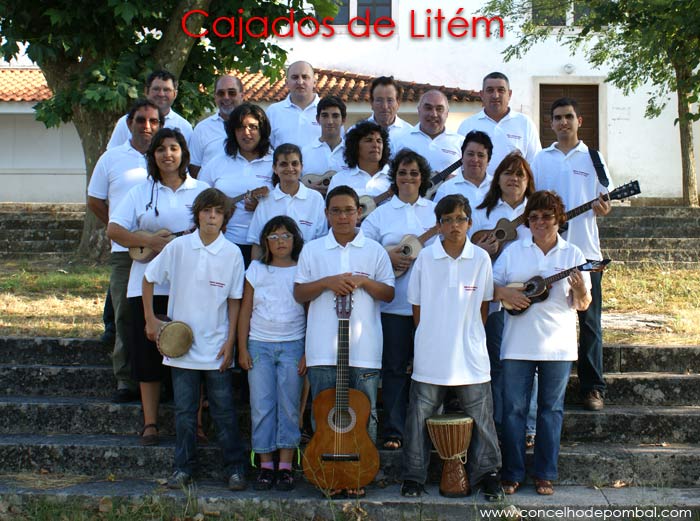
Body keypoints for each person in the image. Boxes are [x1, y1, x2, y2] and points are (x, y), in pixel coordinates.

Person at [141, 187, 248, 491]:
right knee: (185, 412)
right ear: (198, 214)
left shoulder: (232, 254)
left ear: (225, 217)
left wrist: (231, 343)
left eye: (217, 212)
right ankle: (183, 469)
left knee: (224, 411)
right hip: (180, 347)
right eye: (206, 211)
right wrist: (151, 319)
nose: (211, 216)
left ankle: (236, 469)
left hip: (216, 347)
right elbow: (148, 279)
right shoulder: (179, 248)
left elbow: (235, 302)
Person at [107, 128, 208, 446]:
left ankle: (194, 422)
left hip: (190, 286)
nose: (168, 154)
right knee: (148, 357)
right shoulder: (140, 191)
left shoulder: (201, 191)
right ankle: (150, 423)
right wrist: (149, 241)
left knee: (192, 355)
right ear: (153, 156)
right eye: (161, 149)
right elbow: (114, 229)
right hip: (145, 287)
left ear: (183, 154)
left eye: (174, 148)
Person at [400, 194, 503, 501]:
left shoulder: (481, 259)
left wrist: (465, 335)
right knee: (417, 419)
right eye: (447, 220)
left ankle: (487, 474)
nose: (454, 225)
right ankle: (413, 477)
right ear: (439, 225)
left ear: (470, 223)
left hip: (471, 356)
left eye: (460, 219)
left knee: (483, 421)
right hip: (431, 356)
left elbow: (483, 308)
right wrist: (435, 336)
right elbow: (417, 310)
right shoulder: (426, 259)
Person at [294, 185, 395, 497]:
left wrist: (364, 281)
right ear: (326, 214)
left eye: (349, 210)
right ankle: (329, 475)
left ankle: (360, 476)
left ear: (359, 213)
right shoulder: (312, 250)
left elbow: (389, 294)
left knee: (365, 416)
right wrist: (326, 283)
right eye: (335, 211)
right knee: (324, 416)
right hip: (322, 349)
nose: (342, 216)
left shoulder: (374, 250)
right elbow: (299, 293)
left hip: (365, 350)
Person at [493, 190, 591, 496]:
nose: (539, 222)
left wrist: (579, 290)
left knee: (551, 410)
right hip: (517, 343)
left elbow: (583, 303)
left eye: (546, 217)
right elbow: (491, 286)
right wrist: (506, 294)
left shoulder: (572, 254)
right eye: (533, 217)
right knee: (512, 411)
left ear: (558, 219)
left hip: (558, 345)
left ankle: (545, 473)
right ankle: (512, 473)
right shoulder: (513, 251)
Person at [531, 97, 612, 411]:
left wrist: (604, 207)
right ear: (551, 123)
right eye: (557, 118)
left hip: (586, 252)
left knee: (590, 321)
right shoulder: (541, 159)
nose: (563, 122)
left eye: (568, 117)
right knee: (545, 316)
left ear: (580, 120)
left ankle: (593, 388)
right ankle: (548, 388)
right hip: (547, 253)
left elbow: (606, 200)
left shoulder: (593, 158)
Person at [87, 99, 164, 403]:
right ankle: (125, 379)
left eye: (154, 121)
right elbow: (95, 200)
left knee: (163, 313)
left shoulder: (166, 156)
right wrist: (122, 231)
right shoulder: (112, 158)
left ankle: (162, 379)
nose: (147, 126)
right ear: (129, 123)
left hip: (163, 250)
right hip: (124, 252)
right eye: (141, 120)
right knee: (123, 315)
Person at [360, 149, 437, 451]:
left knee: (426, 369)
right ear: (394, 177)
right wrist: (387, 256)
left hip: (428, 305)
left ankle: (423, 429)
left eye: (414, 173)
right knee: (392, 368)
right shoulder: (380, 214)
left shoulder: (434, 213)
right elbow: (363, 251)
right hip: (392, 306)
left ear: (423, 179)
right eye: (403, 173)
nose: (408, 178)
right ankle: (393, 429)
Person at [469, 152, 536, 441]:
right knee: (496, 362)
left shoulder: (536, 214)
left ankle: (529, 426)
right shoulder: (482, 212)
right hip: (493, 299)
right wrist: (484, 251)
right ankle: (496, 424)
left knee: (528, 364)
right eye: (508, 173)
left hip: (530, 298)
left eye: (520, 174)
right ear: (498, 178)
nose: (514, 179)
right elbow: (466, 252)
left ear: (528, 181)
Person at [238, 216, 307, 492]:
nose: (281, 241)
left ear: (295, 240)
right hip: (259, 345)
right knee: (261, 404)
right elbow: (245, 310)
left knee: (289, 406)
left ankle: (287, 465)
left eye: (286, 235)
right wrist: (242, 348)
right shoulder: (256, 269)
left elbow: (311, 310)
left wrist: (308, 352)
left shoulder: (302, 269)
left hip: (293, 344)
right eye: (274, 236)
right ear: (265, 241)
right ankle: (266, 464)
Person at [198, 102, 274, 267]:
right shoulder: (217, 162)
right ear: (232, 132)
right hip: (222, 243)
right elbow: (199, 199)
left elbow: (286, 202)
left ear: (263, 130)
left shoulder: (276, 163)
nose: (246, 133)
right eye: (240, 128)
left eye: (253, 127)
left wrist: (263, 206)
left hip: (265, 246)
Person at [247, 144, 327, 259]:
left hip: (306, 269)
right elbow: (257, 244)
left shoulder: (316, 199)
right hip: (273, 269)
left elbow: (320, 241)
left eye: (294, 164)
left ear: (302, 167)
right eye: (284, 164)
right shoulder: (266, 200)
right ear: (275, 168)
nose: (290, 168)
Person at [458, 72, 541, 175]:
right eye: (490, 90)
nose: (495, 95)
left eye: (501, 90)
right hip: (477, 190)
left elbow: (535, 164)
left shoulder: (525, 123)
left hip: (513, 189)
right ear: (482, 94)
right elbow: (460, 165)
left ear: (509, 94)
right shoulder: (467, 125)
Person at [107, 70, 192, 149]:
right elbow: (112, 156)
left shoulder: (184, 127)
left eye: (166, 90)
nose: (161, 94)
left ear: (175, 94)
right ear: (146, 91)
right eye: (156, 89)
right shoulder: (127, 122)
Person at [392, 89, 463, 174]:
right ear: (419, 110)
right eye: (428, 108)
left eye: (439, 109)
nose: (433, 114)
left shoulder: (461, 143)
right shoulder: (400, 140)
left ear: (447, 113)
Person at [189, 74, 245, 177]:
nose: (226, 97)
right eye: (221, 93)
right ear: (215, 97)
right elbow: (194, 168)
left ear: (242, 96)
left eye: (232, 93)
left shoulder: (252, 129)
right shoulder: (202, 129)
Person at [326, 121, 391, 198]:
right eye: (369, 140)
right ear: (355, 146)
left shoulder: (397, 178)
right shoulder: (339, 180)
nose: (376, 145)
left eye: (379, 141)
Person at [266, 61, 321, 148]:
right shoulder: (273, 112)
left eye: (305, 77)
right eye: (295, 77)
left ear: (314, 82)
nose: (300, 82)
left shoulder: (327, 111)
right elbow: (267, 148)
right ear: (287, 82)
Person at [433, 131, 494, 207]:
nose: (475, 159)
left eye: (481, 155)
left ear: (488, 160)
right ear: (462, 157)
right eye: (470, 154)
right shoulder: (446, 188)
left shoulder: (498, 187)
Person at [301, 96, 347, 182]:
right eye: (325, 116)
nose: (330, 121)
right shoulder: (305, 152)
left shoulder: (352, 151)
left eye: (335, 116)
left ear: (343, 120)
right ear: (318, 119)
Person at [365, 76, 410, 142]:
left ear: (398, 103)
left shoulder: (410, 134)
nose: (385, 106)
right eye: (379, 100)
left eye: (390, 100)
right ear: (371, 103)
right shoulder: (355, 133)